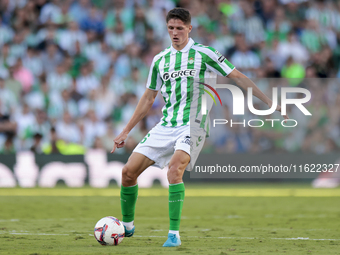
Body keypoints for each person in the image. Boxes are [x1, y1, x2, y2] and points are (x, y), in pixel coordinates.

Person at [111, 7, 288, 247]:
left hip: (192, 125)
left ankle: (174, 234)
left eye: (179, 28)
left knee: (174, 170)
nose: (175, 33)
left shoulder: (205, 54)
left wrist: (267, 101)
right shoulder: (160, 60)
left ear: (189, 28)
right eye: (171, 28)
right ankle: (128, 226)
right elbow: (148, 98)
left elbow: (237, 76)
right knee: (127, 173)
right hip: (166, 124)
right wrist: (126, 130)